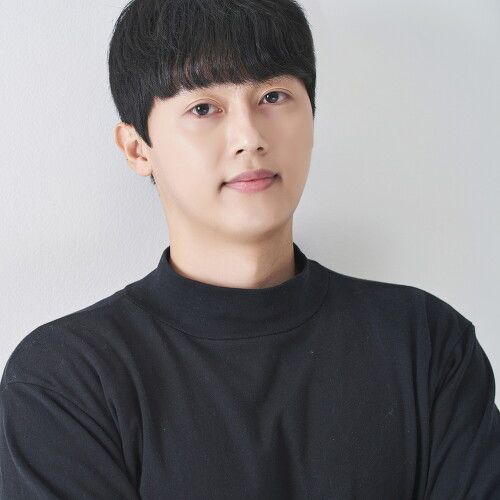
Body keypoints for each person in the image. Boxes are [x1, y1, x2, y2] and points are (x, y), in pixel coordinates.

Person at [1, 0, 499, 498]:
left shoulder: (427, 344)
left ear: (312, 117)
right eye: (203, 108)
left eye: (273, 96)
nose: (250, 137)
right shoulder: (65, 381)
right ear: (137, 148)